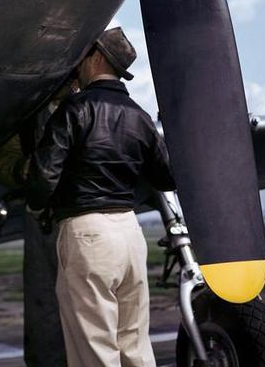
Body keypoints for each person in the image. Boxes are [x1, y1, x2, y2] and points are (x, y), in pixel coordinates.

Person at [27, 27, 174, 367]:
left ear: (95, 59)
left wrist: (36, 207)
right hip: (130, 233)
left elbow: (44, 176)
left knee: (94, 350)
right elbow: (167, 178)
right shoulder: (140, 116)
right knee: (135, 345)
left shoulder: (74, 109)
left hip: (87, 234)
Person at [0, 78, 77, 367]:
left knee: (91, 314)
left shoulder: (88, 106)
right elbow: (5, 159)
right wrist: (22, 168)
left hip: (84, 220)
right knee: (44, 311)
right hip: (42, 223)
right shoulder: (26, 116)